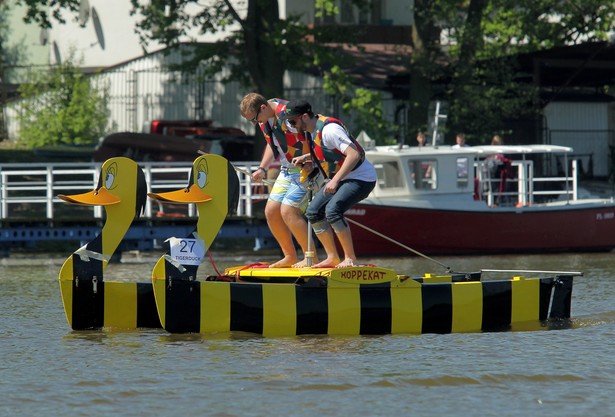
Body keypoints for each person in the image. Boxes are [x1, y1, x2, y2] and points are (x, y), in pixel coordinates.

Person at [283, 99, 377, 268]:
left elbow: (353, 155)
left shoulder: (330, 130)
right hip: (343, 177)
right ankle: (332, 257)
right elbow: (328, 153)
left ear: (304, 117)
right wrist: (306, 158)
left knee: (333, 211)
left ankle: (350, 259)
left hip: (362, 178)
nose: (291, 125)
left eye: (292, 121)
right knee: (313, 212)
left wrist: (334, 180)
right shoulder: (312, 131)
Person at [239, 93, 316, 268]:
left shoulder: (287, 114)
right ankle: (290, 256)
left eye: (254, 118)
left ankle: (310, 258)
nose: (254, 123)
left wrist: (308, 160)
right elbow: (271, 143)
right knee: (271, 212)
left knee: (288, 211)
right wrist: (262, 168)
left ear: (263, 108)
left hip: (304, 168)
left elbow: (309, 135)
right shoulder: (264, 119)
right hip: (286, 169)